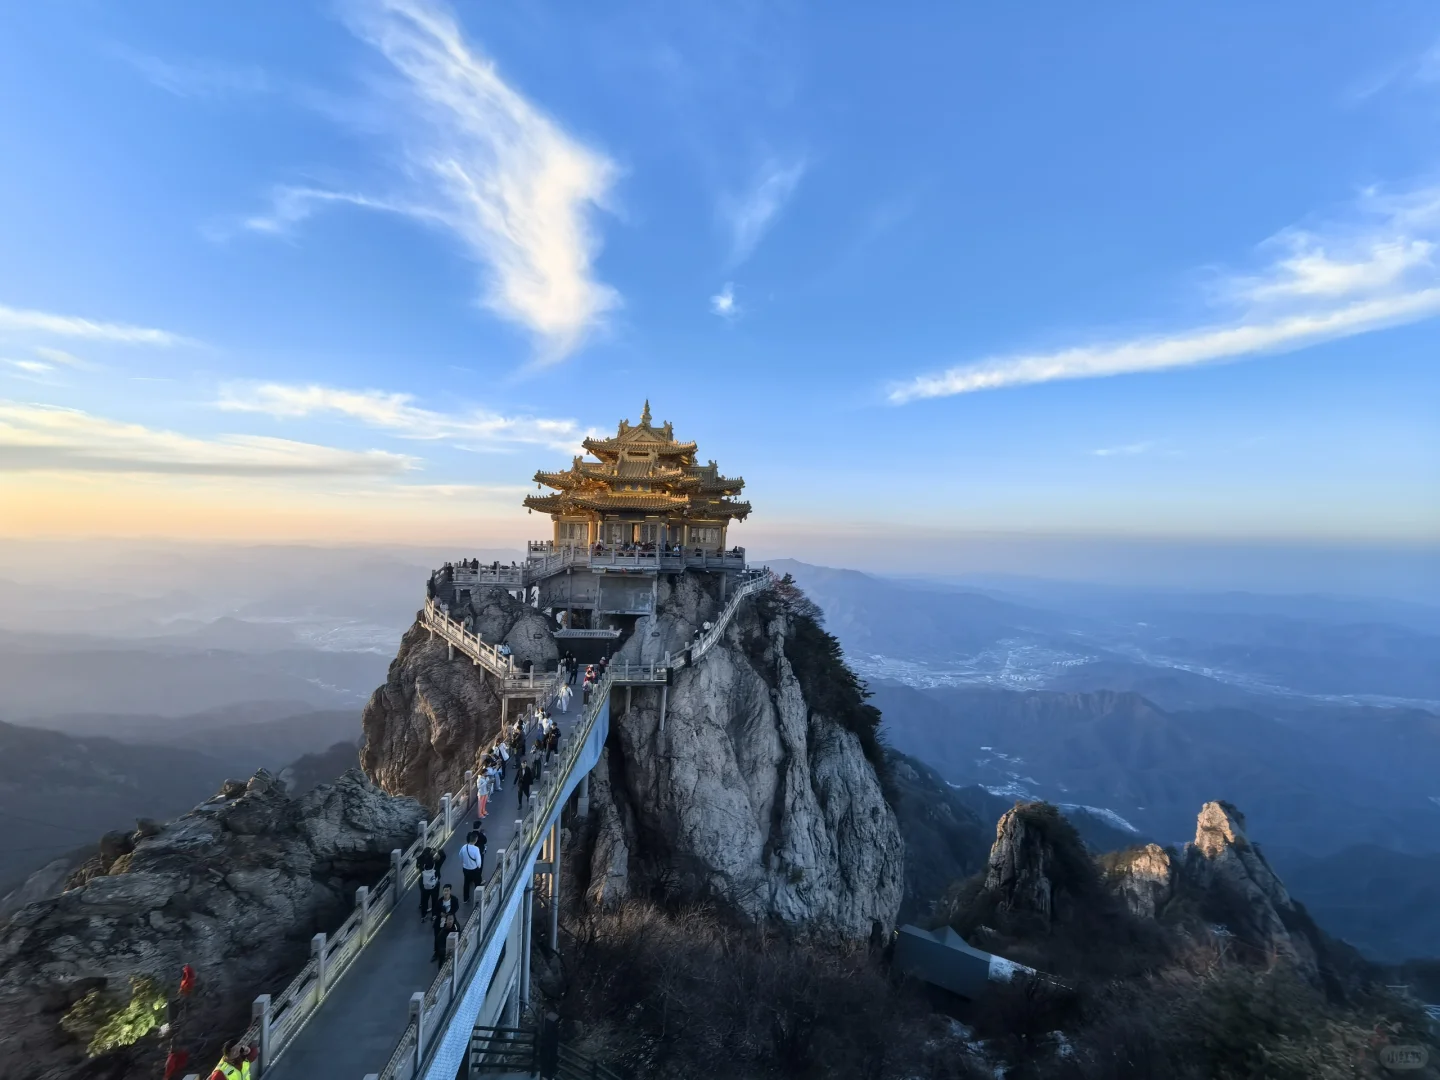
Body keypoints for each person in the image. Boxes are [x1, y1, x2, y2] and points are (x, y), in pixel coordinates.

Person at [415, 845, 446, 921]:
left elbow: (417, 867)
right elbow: (443, 856)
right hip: (434, 884)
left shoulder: (420, 861)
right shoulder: (436, 863)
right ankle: (434, 915)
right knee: (434, 900)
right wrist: (438, 850)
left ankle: (423, 916)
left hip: (423, 883)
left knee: (424, 899)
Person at [459, 832, 484, 903]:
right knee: (477, 883)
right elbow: (478, 861)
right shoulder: (476, 849)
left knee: (466, 883)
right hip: (474, 869)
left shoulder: (464, 847)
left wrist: (464, 863)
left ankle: (465, 899)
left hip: (466, 869)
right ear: (476, 840)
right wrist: (478, 867)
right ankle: (478, 899)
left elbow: (460, 855)